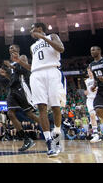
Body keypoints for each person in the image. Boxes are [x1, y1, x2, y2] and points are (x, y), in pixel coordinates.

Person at [18, 23, 66, 157]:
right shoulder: (32, 46)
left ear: (40, 29)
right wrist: (20, 62)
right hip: (36, 75)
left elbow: (61, 49)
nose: (32, 31)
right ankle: (49, 141)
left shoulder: (53, 36)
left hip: (52, 71)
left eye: (33, 29)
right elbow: (33, 66)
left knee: (56, 107)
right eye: (31, 30)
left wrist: (44, 38)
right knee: (41, 108)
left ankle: (56, 136)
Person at [0, 44, 41, 151]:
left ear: (18, 49)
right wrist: (6, 75)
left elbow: (26, 71)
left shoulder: (22, 57)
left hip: (22, 88)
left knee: (29, 114)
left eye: (13, 48)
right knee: (10, 114)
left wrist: (12, 66)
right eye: (9, 48)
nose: (10, 49)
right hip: (12, 89)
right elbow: (13, 77)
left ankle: (48, 127)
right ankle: (26, 140)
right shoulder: (11, 62)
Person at [84, 67, 100, 143]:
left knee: (99, 116)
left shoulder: (97, 79)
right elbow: (87, 90)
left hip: (97, 98)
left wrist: (96, 89)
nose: (89, 73)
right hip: (90, 99)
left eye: (90, 71)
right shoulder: (86, 81)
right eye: (88, 71)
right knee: (92, 115)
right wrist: (86, 92)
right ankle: (96, 134)